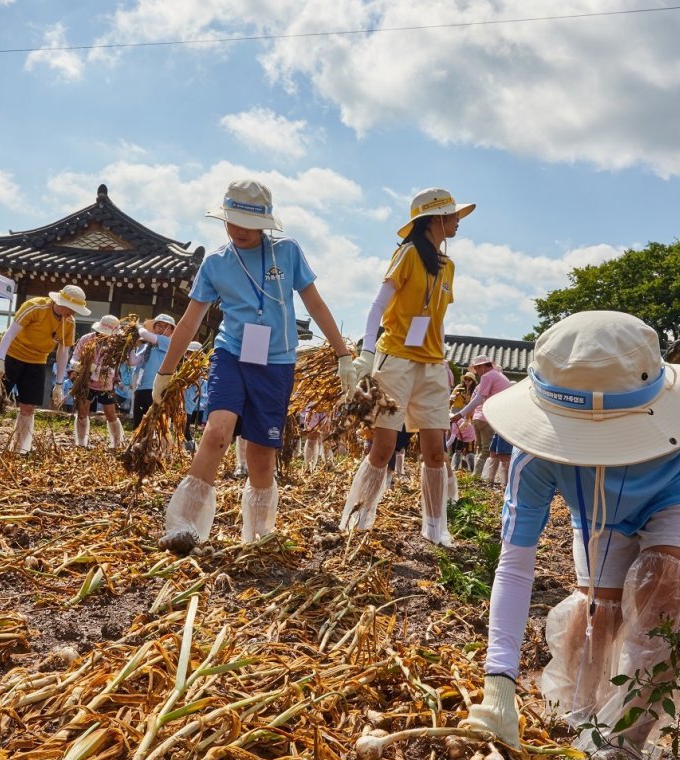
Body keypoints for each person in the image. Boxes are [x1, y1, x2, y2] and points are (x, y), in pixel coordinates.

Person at [461, 310, 680, 760]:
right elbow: (515, 563)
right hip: (596, 507)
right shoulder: (536, 458)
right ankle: (578, 712)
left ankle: (624, 740)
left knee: (660, 585)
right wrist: (498, 682)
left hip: (676, 486)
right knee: (598, 609)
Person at [152, 178, 356, 551]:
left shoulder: (287, 252)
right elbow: (189, 320)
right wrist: (166, 371)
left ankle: (259, 534)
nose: (240, 231)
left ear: (265, 223)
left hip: (276, 363)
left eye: (249, 224)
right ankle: (184, 526)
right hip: (232, 355)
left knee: (262, 454)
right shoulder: (216, 262)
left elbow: (316, 304)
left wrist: (343, 354)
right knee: (217, 433)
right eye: (233, 221)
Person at [339, 187, 476, 546]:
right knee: (382, 448)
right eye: (453, 216)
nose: (458, 222)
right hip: (395, 358)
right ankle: (358, 518)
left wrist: (443, 358)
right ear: (434, 219)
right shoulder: (407, 254)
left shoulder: (449, 267)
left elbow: (438, 319)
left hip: (431, 364)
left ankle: (434, 528)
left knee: (435, 450)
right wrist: (367, 354)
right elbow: (376, 306)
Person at [0, 285, 89, 454]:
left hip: (37, 361)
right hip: (13, 354)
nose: (73, 313)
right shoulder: (35, 307)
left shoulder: (69, 322)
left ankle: (20, 449)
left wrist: (58, 384)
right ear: (61, 302)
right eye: (72, 309)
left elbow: (63, 351)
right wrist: (0, 360)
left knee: (28, 407)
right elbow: (11, 333)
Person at [71, 314, 126, 449]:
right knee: (83, 412)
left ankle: (117, 443)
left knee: (110, 413)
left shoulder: (117, 346)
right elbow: (73, 359)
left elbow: (121, 364)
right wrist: (84, 367)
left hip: (105, 383)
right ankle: (81, 442)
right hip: (86, 381)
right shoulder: (86, 339)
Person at [456, 356, 511, 481]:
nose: (477, 372)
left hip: (486, 418)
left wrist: (461, 414)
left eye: (477, 368)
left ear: (482, 366)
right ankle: (492, 479)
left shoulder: (487, 376)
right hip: (496, 417)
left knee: (485, 450)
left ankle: (478, 476)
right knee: (490, 450)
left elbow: (479, 398)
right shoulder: (499, 376)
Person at [130, 313, 176, 426]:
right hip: (142, 388)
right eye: (159, 325)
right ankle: (138, 443)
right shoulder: (148, 346)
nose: (161, 329)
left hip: (158, 389)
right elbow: (134, 361)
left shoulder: (167, 342)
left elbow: (145, 334)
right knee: (139, 422)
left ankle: (156, 443)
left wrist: (138, 327)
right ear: (154, 327)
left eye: (166, 326)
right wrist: (130, 345)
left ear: (171, 330)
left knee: (157, 424)